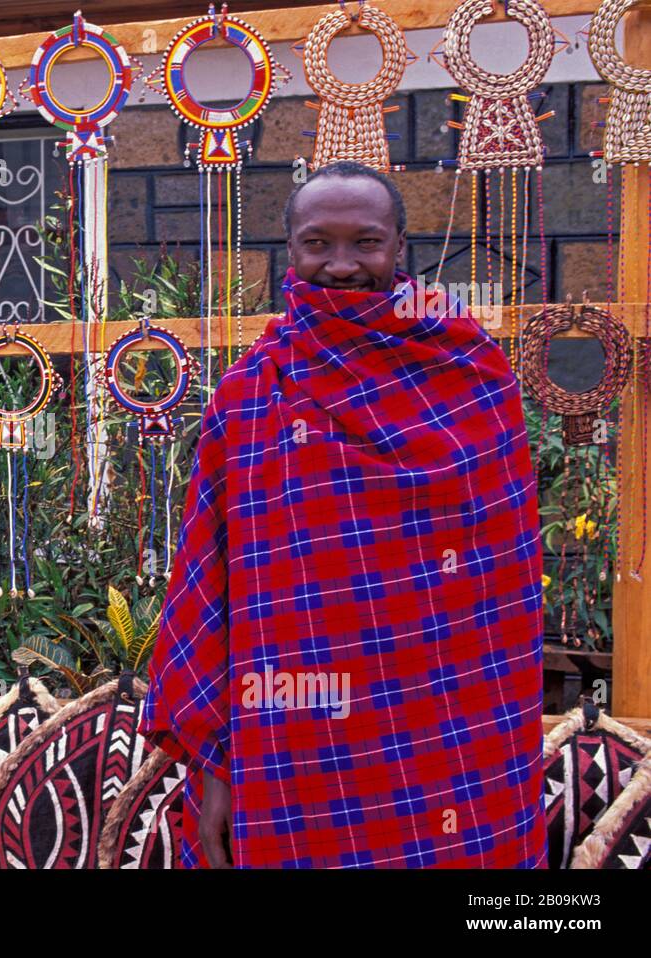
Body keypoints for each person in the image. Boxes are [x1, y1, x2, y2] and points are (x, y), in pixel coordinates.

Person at [139, 160, 545, 868]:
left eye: (367, 242)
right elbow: (211, 583)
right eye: (317, 243)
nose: (343, 264)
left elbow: (499, 578)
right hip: (296, 736)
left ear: (400, 248)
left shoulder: (471, 372)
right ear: (289, 251)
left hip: (449, 722)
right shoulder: (251, 392)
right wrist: (217, 768)